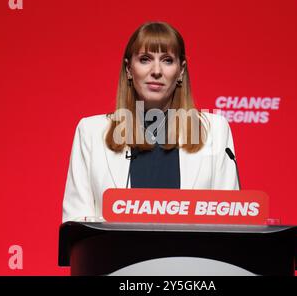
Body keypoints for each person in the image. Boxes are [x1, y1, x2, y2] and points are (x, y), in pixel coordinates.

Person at [62, 21, 239, 223]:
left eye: (167, 60)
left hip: (191, 255)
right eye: (145, 59)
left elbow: (229, 221)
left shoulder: (214, 130)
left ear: (181, 71)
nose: (156, 71)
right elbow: (76, 224)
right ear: (129, 69)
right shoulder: (91, 131)